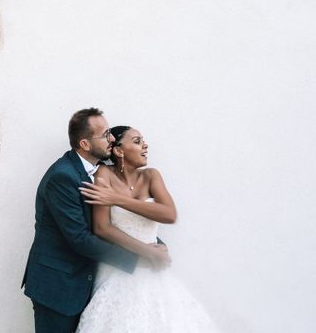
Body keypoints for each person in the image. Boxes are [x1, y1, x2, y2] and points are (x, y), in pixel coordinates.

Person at [22, 109, 170, 333]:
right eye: (105, 135)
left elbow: (116, 221)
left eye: (111, 132)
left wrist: (154, 242)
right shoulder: (62, 176)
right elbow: (80, 238)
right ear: (85, 144)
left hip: (90, 284)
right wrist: (142, 257)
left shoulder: (103, 172)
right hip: (59, 287)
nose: (111, 138)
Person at [76, 125, 219, 332]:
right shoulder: (103, 174)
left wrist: (117, 199)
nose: (145, 145)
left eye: (143, 140)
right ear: (118, 151)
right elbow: (102, 228)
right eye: (136, 141)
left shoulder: (152, 176)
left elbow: (169, 214)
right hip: (118, 268)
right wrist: (149, 253)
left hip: (154, 274)